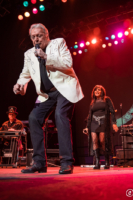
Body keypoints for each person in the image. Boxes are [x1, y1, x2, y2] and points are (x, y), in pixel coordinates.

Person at [13, 23, 83, 174]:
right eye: (33, 37)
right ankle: (39, 162)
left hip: (64, 88)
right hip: (46, 94)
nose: (36, 39)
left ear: (46, 35)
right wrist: (19, 85)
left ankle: (66, 162)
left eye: (38, 35)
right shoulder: (29, 54)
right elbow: (25, 74)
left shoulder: (58, 43)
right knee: (33, 118)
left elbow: (68, 63)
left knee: (60, 115)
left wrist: (46, 56)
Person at [83, 85, 118, 169]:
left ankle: (107, 161)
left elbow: (112, 111)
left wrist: (114, 123)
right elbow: (90, 115)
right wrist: (87, 127)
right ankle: (97, 162)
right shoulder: (93, 102)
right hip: (93, 123)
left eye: (99, 90)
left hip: (103, 122)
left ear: (102, 92)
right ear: (93, 92)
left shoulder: (107, 99)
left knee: (102, 141)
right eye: (95, 90)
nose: (97, 91)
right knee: (94, 141)